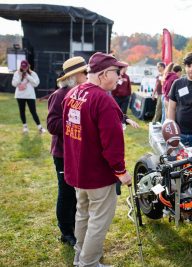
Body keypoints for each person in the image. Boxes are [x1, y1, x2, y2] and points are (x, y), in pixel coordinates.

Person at [62, 52, 132, 267]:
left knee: (83, 214)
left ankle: (80, 256)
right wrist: (121, 172)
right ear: (103, 74)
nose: (119, 77)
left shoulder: (73, 93)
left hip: (78, 170)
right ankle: (88, 263)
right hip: (97, 174)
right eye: (116, 72)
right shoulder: (103, 100)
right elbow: (112, 145)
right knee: (98, 221)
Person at [47, 56, 88, 247]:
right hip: (63, 154)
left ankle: (76, 228)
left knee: (77, 193)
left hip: (79, 153)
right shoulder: (59, 95)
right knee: (66, 193)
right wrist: (75, 124)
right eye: (84, 73)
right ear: (74, 76)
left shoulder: (83, 93)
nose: (87, 75)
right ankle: (66, 232)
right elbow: (52, 124)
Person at [11, 60, 46, 134]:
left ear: (28, 66)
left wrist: (28, 76)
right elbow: (14, 84)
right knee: (22, 111)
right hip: (20, 95)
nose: (24, 69)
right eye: (22, 67)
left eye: (25, 67)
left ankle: (40, 127)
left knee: (33, 111)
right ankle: (25, 127)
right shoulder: (17, 73)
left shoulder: (33, 73)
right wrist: (20, 77)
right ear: (20, 66)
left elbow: (36, 84)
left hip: (30, 95)